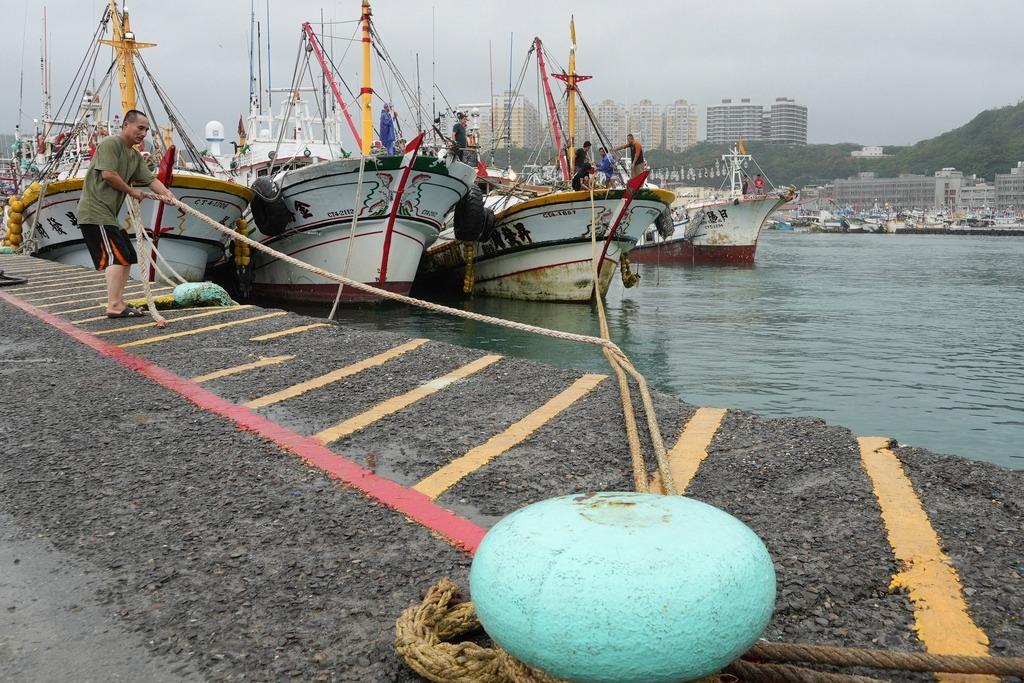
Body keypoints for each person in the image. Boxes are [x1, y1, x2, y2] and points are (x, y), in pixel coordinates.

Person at [76, 109, 174, 318]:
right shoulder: (111, 144)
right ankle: (113, 305)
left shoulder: (134, 156)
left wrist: (168, 195)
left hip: (107, 215)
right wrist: (131, 191)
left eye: (146, 130)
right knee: (115, 257)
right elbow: (108, 175)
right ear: (126, 126)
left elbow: (151, 180)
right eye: (140, 128)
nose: (143, 133)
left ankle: (119, 302)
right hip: (94, 212)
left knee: (127, 255)